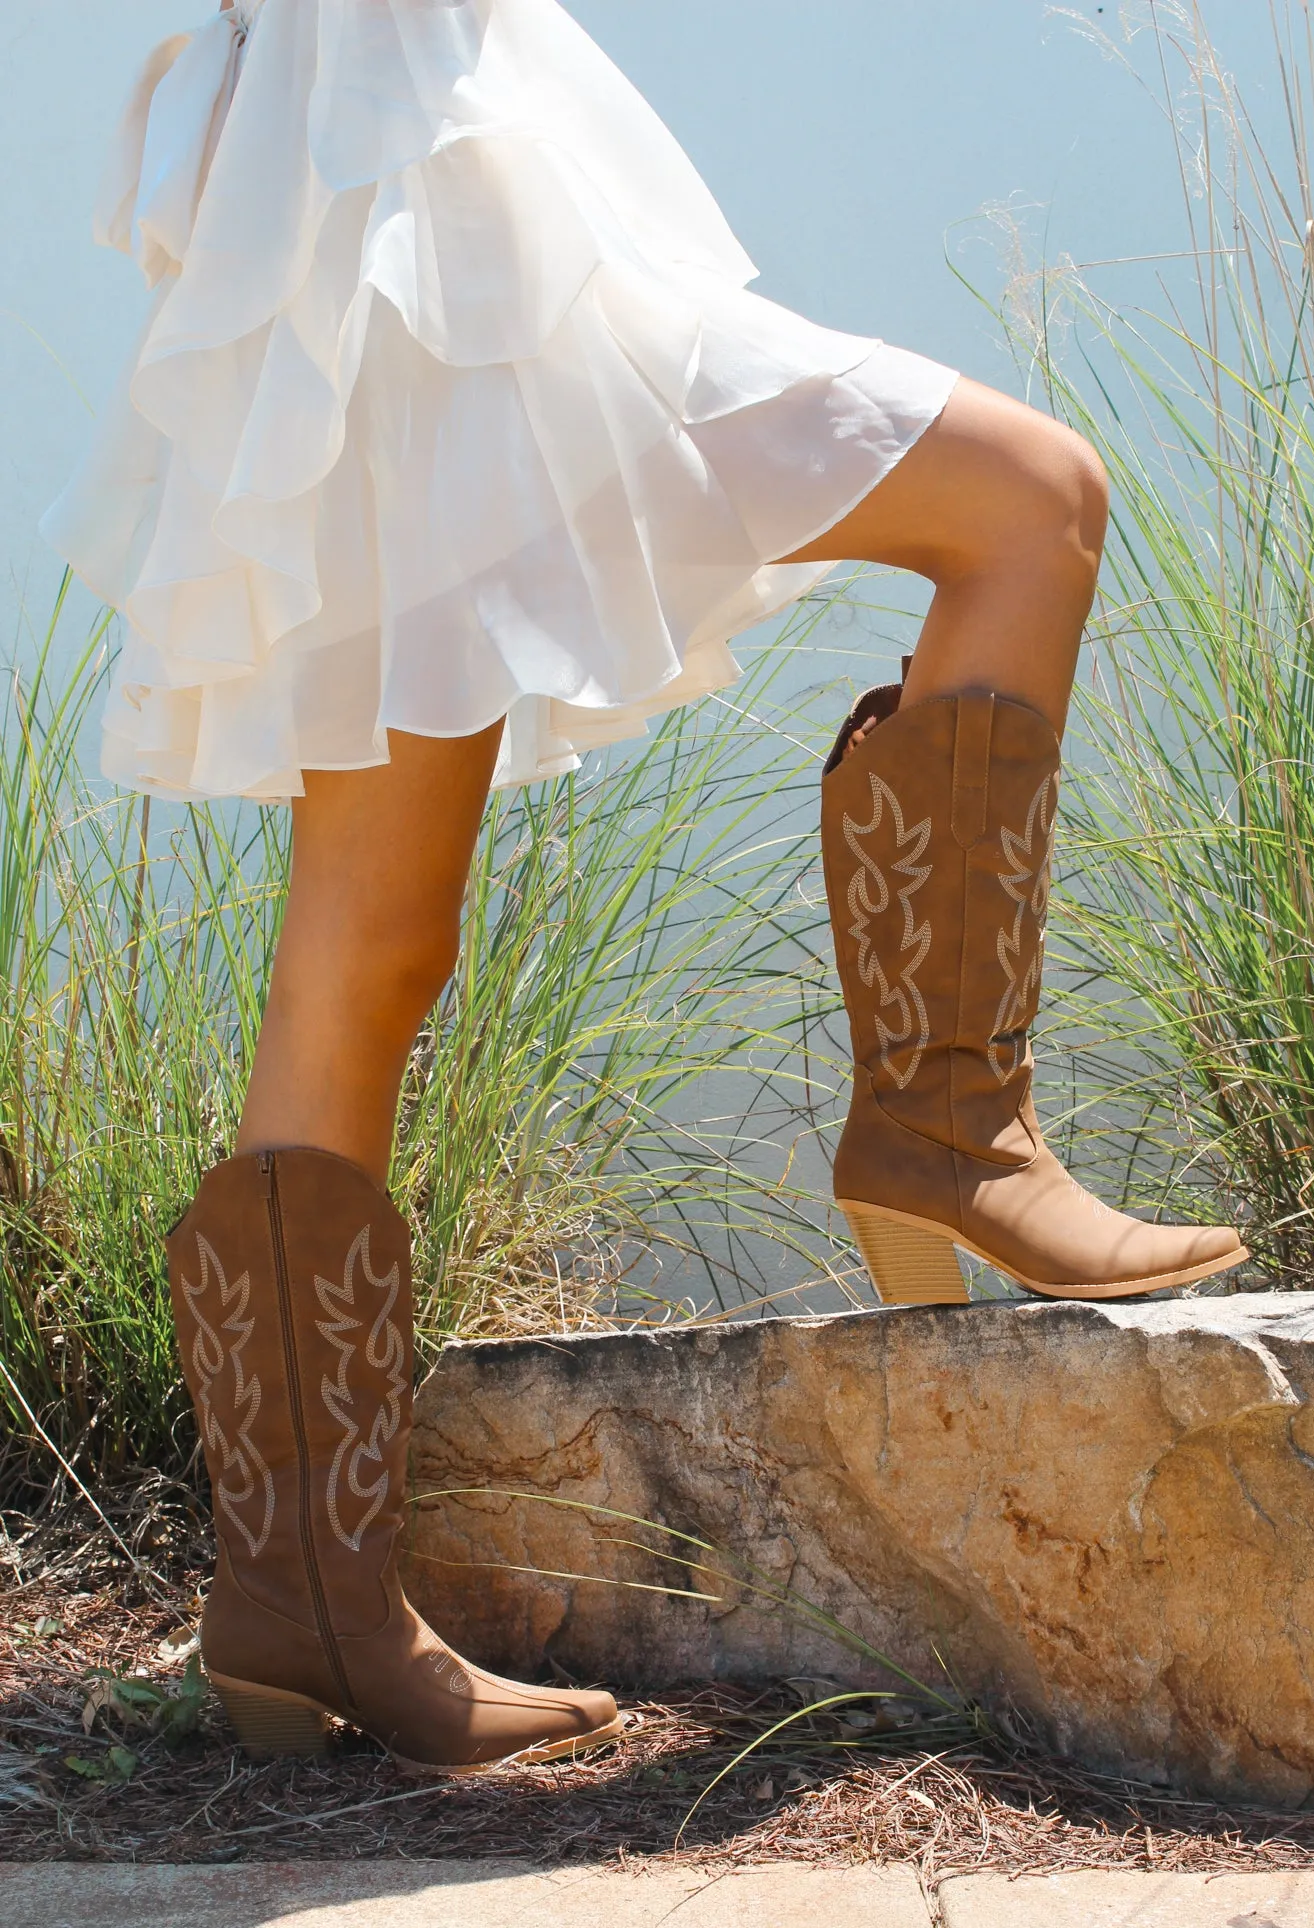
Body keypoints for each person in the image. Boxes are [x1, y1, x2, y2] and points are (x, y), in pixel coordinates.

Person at [44, 0, 1245, 1776]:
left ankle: (297, 1600)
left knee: (368, 957)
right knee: (1027, 501)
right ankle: (949, 1130)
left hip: (400, 196)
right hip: (415, 195)